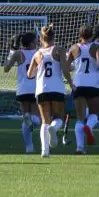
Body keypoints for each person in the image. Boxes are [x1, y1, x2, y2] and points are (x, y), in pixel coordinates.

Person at [27, 25, 70, 158]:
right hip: (56, 88)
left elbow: (29, 74)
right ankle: (54, 128)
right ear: (53, 37)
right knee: (58, 118)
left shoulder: (37, 54)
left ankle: (45, 151)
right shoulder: (59, 50)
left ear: (41, 38)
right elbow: (64, 69)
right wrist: (71, 83)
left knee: (44, 121)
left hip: (41, 90)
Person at [68, 24, 99, 154]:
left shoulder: (73, 48)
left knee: (79, 118)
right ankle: (89, 127)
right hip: (93, 84)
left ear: (80, 35)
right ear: (92, 35)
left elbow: (66, 66)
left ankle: (79, 147)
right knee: (95, 113)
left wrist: (72, 76)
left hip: (78, 83)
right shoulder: (97, 47)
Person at [3, 31, 41, 154]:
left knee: (26, 117)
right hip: (36, 88)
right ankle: (32, 121)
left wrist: (12, 51)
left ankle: (29, 147)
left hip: (22, 89)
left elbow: (6, 68)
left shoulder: (18, 53)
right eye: (35, 40)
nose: (37, 42)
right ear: (30, 43)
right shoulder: (39, 53)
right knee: (36, 118)